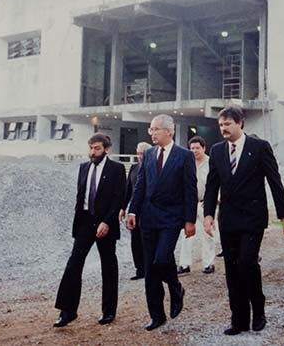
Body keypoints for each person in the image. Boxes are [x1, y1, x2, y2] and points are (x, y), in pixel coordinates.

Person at [203, 106, 284, 335]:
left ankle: (258, 310)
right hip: (229, 219)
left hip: (253, 217)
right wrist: (208, 215)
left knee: (247, 263)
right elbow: (212, 185)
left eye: (228, 124)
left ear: (240, 123)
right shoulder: (217, 150)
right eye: (221, 125)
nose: (223, 128)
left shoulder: (259, 147)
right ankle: (238, 319)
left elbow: (274, 180)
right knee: (232, 269)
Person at [126, 114, 198, 331]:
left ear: (169, 131)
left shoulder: (184, 156)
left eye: (156, 129)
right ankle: (156, 315)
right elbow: (140, 185)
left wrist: (189, 220)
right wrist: (132, 211)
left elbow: (190, 189)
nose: (152, 133)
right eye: (151, 129)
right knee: (150, 268)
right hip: (147, 218)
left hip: (171, 218)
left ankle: (175, 287)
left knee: (161, 259)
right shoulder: (147, 155)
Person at [54, 133, 126, 327]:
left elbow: (119, 198)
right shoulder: (83, 168)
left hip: (105, 224)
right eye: (91, 148)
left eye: (97, 148)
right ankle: (67, 311)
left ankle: (109, 310)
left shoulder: (117, 169)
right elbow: (81, 196)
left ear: (106, 149)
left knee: (108, 266)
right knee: (73, 264)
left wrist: (108, 222)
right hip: (85, 222)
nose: (93, 152)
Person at [177, 136, 216, 275]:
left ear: (204, 148)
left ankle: (208, 263)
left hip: (206, 204)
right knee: (187, 234)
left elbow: (219, 183)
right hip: (189, 204)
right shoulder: (187, 163)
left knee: (208, 234)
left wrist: (215, 199)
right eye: (192, 148)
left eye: (197, 148)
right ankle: (184, 264)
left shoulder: (211, 162)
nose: (194, 151)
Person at [119, 141, 152, 280]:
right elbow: (128, 189)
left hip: (150, 211)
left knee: (148, 241)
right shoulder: (133, 168)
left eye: (142, 153)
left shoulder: (153, 168)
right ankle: (140, 269)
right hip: (134, 211)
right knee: (135, 241)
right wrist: (123, 207)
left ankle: (150, 269)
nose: (139, 156)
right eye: (138, 153)